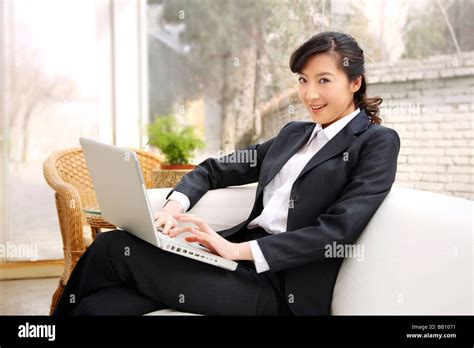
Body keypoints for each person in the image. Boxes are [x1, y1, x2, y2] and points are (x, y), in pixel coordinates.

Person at [52, 31, 400, 316]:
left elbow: (334, 233)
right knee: (97, 308)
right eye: (303, 80)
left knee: (113, 246)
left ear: (355, 82)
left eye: (324, 80)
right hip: (231, 263)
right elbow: (214, 170)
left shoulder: (376, 142)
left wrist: (236, 251)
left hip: (278, 289)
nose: (310, 94)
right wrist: (173, 209)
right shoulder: (294, 133)